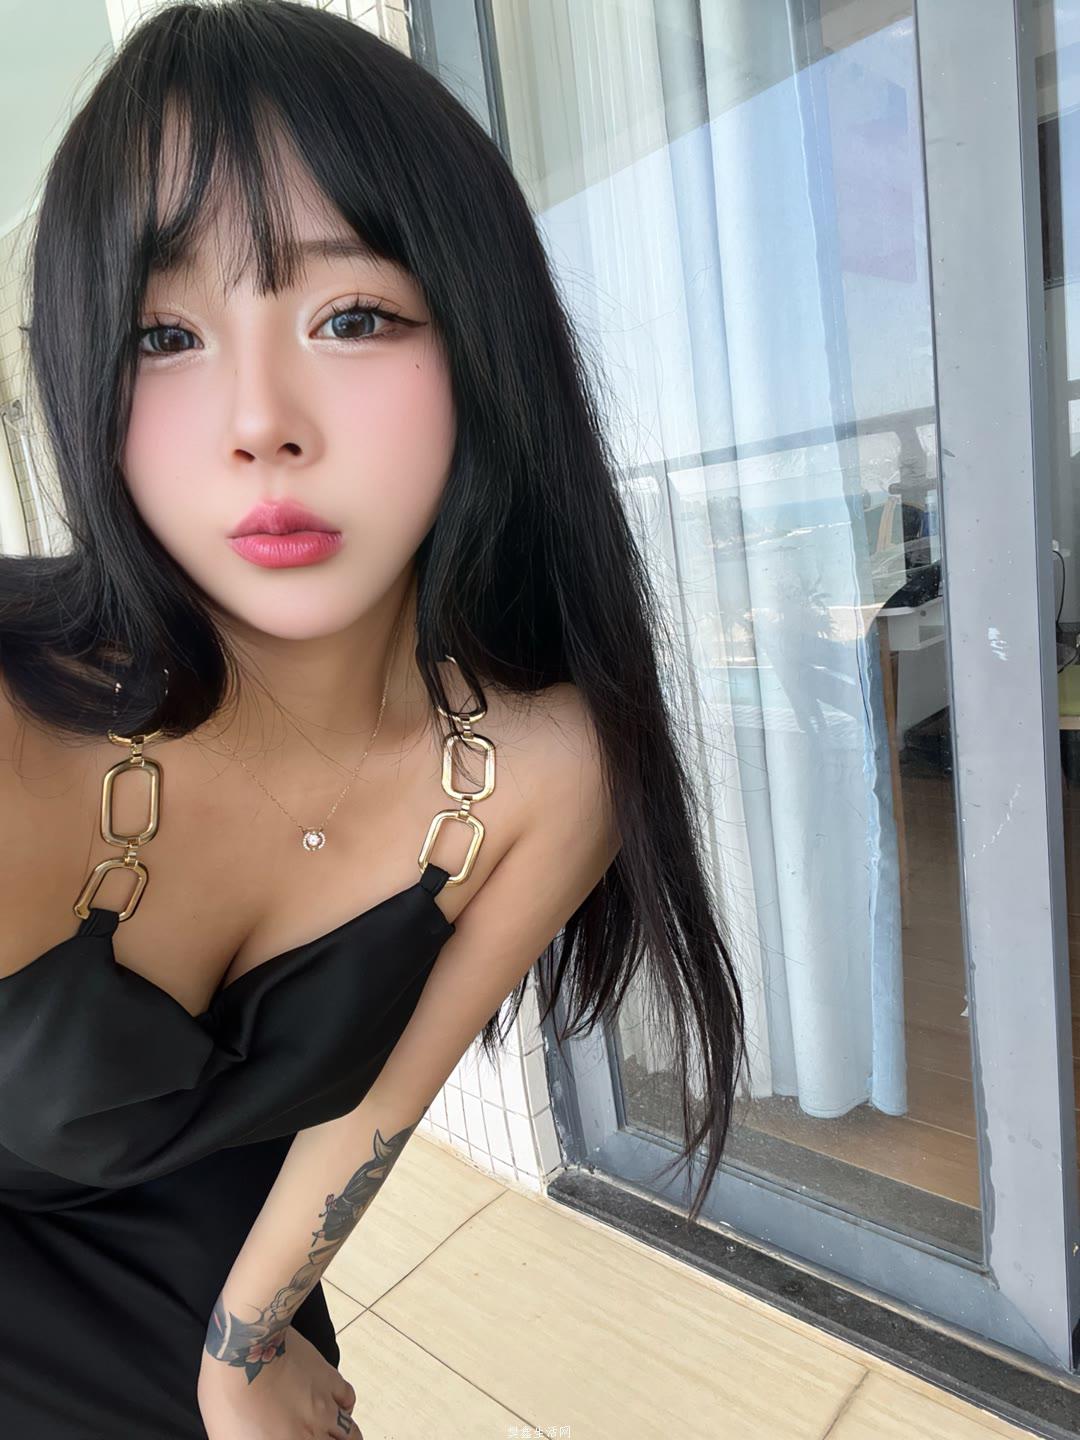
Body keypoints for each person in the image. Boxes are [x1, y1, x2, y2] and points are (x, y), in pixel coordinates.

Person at [0, 1, 747, 1435]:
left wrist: (243, 1340)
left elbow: (372, 1106)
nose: (259, 422)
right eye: (162, 334)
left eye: (351, 317)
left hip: (234, 1264)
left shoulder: (541, 776)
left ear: (484, 345)